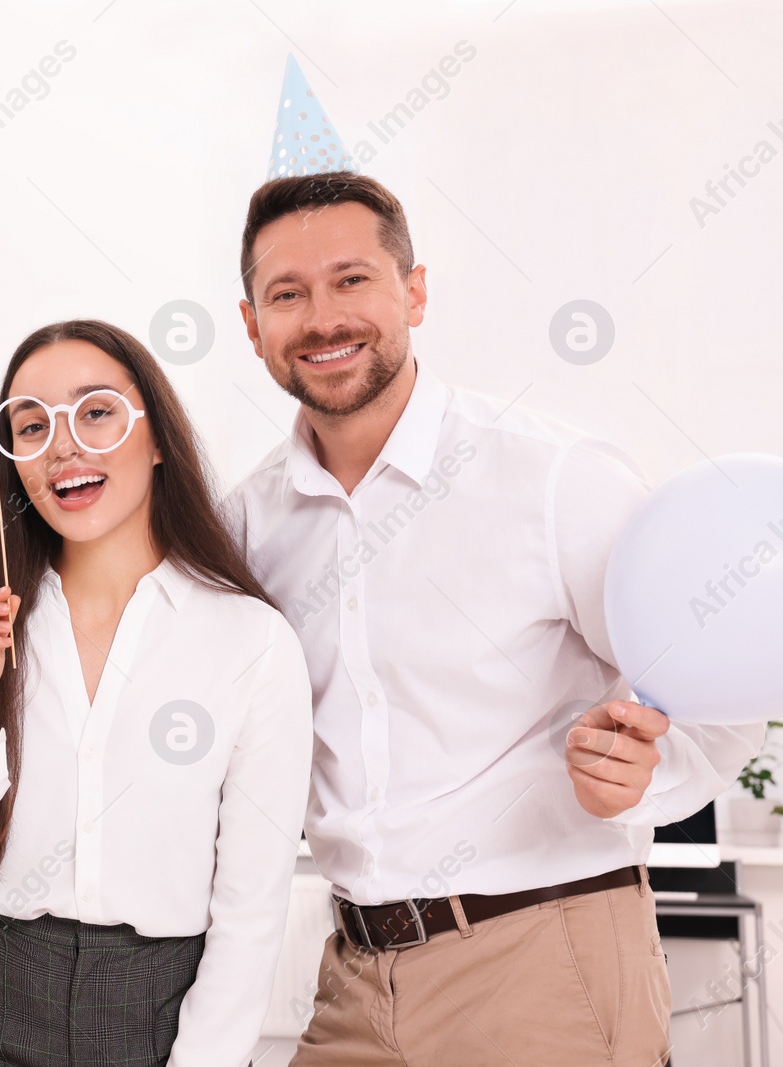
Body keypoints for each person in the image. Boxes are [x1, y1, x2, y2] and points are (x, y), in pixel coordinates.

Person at [227, 171, 765, 1066]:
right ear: (252, 325)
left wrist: (645, 779)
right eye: (288, 293)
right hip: (354, 971)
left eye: (352, 279)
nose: (323, 317)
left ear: (416, 291)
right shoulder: (247, 524)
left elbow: (719, 696)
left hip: (543, 956)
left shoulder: (554, 478)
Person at [0, 319, 314, 1067]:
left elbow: (250, 912)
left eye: (95, 412)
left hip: (163, 1008)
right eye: (30, 424)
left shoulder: (253, 641)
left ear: (156, 439)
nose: (62, 445)